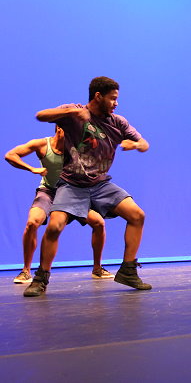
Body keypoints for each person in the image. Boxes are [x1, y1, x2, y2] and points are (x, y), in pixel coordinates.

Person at [23, 76, 151, 297]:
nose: (116, 103)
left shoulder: (117, 122)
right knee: (54, 227)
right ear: (98, 96)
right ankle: (40, 278)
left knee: (137, 215)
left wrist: (137, 145)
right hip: (71, 184)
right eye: (112, 98)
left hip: (100, 184)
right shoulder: (74, 112)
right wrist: (73, 112)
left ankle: (128, 271)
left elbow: (144, 143)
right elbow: (40, 115)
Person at [5, 126, 112, 283]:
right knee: (32, 223)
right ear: (59, 128)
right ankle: (25, 271)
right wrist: (31, 168)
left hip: (72, 193)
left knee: (99, 223)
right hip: (48, 192)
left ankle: (97, 269)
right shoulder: (42, 145)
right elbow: (10, 155)